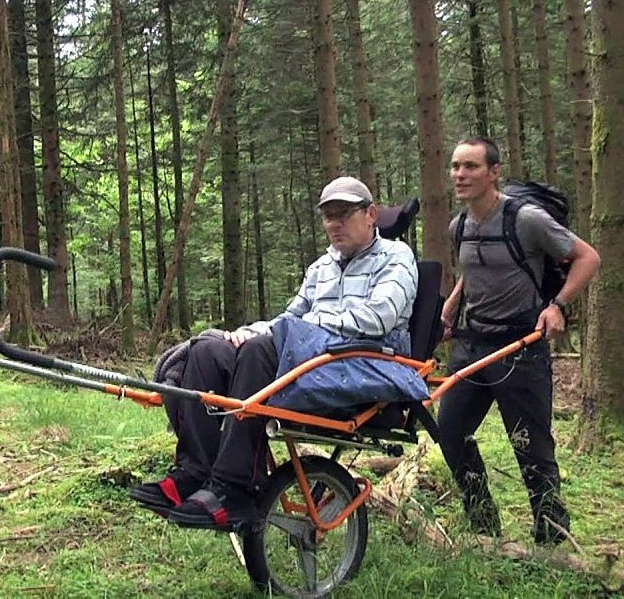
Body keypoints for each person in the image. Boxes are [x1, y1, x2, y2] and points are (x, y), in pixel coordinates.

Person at [130, 177, 419, 529]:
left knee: (260, 352)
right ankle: (195, 473)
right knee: (206, 351)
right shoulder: (321, 267)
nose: (334, 224)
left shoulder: (396, 257)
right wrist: (252, 330)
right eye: (328, 216)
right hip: (314, 359)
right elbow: (291, 317)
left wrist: (304, 328)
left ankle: (234, 488)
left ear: (371, 213)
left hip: (369, 364)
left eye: (343, 214)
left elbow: (379, 317)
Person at [438, 137, 600, 546]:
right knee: (451, 432)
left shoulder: (526, 219)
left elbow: (588, 257)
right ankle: (482, 523)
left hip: (521, 348)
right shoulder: (460, 225)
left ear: (494, 172)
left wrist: (558, 305)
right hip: (473, 344)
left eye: (471, 166)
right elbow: (475, 269)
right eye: (456, 166)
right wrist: (454, 303)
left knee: (530, 446)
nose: (460, 174)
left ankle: (552, 534)